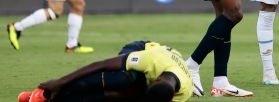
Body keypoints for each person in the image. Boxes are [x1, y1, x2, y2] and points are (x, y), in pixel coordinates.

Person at [18, 41, 193, 102]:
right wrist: (60, 82)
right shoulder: (153, 61)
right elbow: (102, 65)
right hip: (140, 49)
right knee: (122, 80)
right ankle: (46, 93)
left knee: (123, 96)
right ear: (156, 79)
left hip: (146, 81)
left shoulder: (182, 94)